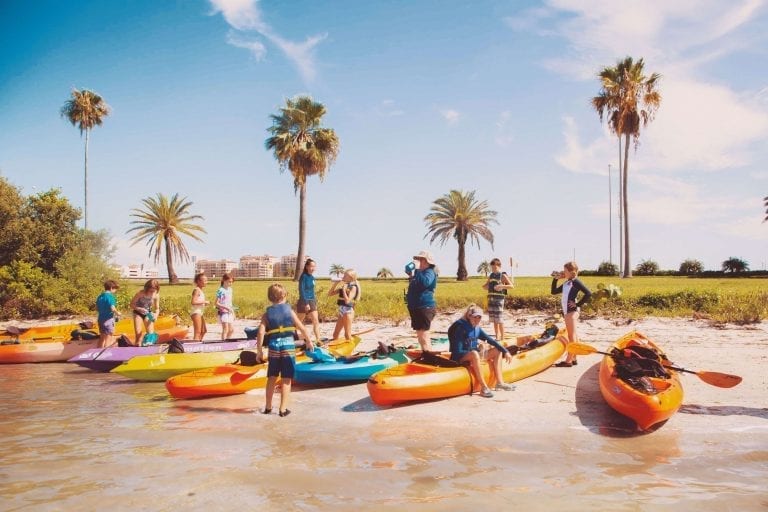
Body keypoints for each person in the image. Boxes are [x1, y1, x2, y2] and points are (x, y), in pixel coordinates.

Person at [256, 283, 312, 417]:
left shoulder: (266, 314)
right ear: (284, 296)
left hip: (274, 346)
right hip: (287, 346)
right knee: (286, 378)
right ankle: (282, 409)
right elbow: (301, 328)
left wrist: (259, 351)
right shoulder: (289, 311)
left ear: (270, 298)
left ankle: (268, 407)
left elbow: (260, 333)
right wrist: (309, 341)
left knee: (272, 377)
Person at [448, 304, 515, 397]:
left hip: (472, 355)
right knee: (475, 353)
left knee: (497, 350)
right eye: (475, 317)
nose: (477, 320)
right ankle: (484, 388)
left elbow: (491, 340)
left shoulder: (477, 328)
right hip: (458, 359)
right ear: (469, 316)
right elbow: (456, 351)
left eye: (479, 317)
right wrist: (475, 352)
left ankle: (500, 383)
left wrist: (505, 351)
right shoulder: (459, 327)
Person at [551, 261, 592, 367]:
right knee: (574, 335)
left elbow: (588, 293)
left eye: (565, 271)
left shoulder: (575, 281)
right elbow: (554, 291)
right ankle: (574, 358)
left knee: (571, 336)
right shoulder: (566, 283)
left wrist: (577, 304)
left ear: (571, 272)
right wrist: (555, 279)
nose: (563, 273)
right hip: (567, 311)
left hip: (571, 311)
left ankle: (568, 360)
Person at [406, 250, 438, 351]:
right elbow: (416, 285)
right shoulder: (420, 273)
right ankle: (426, 354)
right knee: (421, 336)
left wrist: (417, 270)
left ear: (426, 261)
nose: (418, 261)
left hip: (424, 307)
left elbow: (425, 283)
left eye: (420, 259)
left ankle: (428, 356)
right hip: (417, 307)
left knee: (424, 336)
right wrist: (411, 276)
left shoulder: (429, 272)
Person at [482, 258, 514, 342]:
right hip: (491, 299)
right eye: (492, 268)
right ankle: (497, 336)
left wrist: (501, 286)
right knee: (494, 319)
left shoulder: (502, 275)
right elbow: (486, 285)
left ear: (499, 266)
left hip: (499, 300)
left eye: (495, 268)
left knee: (499, 319)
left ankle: (502, 337)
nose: (493, 270)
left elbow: (511, 286)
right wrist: (485, 287)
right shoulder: (491, 275)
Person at [328, 269, 360, 340]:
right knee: (335, 335)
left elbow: (347, 301)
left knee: (347, 335)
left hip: (348, 311)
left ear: (351, 278)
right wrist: (336, 283)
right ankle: (336, 350)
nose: (343, 276)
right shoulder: (344, 286)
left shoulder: (353, 287)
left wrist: (344, 290)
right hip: (341, 311)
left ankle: (351, 350)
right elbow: (330, 294)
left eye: (345, 275)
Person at [296, 258, 322, 346]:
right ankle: (291, 336)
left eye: (314, 266)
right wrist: (306, 303)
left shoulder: (312, 277)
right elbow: (301, 290)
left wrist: (314, 301)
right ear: (307, 267)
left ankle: (318, 340)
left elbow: (312, 291)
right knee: (298, 322)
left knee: (315, 321)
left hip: (312, 300)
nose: (313, 268)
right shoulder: (303, 276)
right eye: (311, 266)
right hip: (304, 301)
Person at [129, 278, 160, 346]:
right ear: (146, 289)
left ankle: (149, 346)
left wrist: (156, 315)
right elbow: (131, 304)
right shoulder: (140, 293)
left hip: (148, 313)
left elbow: (157, 308)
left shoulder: (156, 295)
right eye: (150, 291)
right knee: (138, 333)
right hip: (138, 312)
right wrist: (139, 308)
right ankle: (137, 346)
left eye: (154, 291)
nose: (152, 293)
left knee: (150, 334)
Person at [96, 280, 120, 349]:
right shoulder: (110, 297)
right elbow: (112, 308)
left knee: (102, 338)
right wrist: (117, 313)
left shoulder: (100, 296)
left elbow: (97, 308)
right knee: (108, 338)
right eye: (115, 289)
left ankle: (98, 352)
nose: (115, 291)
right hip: (108, 320)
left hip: (101, 319)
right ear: (112, 288)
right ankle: (107, 353)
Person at [215, 273, 235, 339]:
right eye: (229, 282)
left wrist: (233, 312)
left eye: (232, 282)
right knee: (225, 329)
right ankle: (223, 342)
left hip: (229, 312)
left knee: (231, 330)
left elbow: (230, 302)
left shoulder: (230, 290)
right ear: (224, 280)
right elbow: (216, 303)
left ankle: (227, 341)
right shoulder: (220, 290)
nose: (230, 283)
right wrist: (225, 307)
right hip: (223, 312)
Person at [190, 272, 209, 341]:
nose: (206, 282)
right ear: (198, 281)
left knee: (203, 330)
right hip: (196, 312)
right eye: (205, 280)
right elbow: (193, 302)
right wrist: (204, 302)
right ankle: (195, 346)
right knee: (197, 332)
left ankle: (198, 344)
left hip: (199, 312)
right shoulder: (197, 290)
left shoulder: (200, 290)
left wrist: (203, 303)